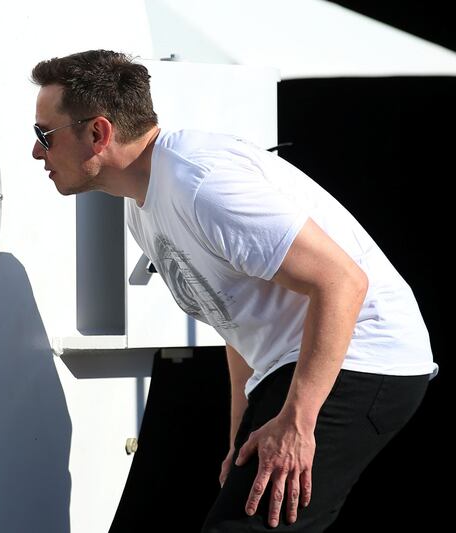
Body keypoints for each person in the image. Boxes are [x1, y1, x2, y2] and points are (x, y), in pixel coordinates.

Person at [30, 50, 437, 531]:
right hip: (302, 362)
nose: (37, 152)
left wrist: (299, 423)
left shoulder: (201, 185)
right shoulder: (142, 208)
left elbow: (342, 281)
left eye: (44, 135)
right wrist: (236, 439)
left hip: (365, 356)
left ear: (98, 133)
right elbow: (233, 316)